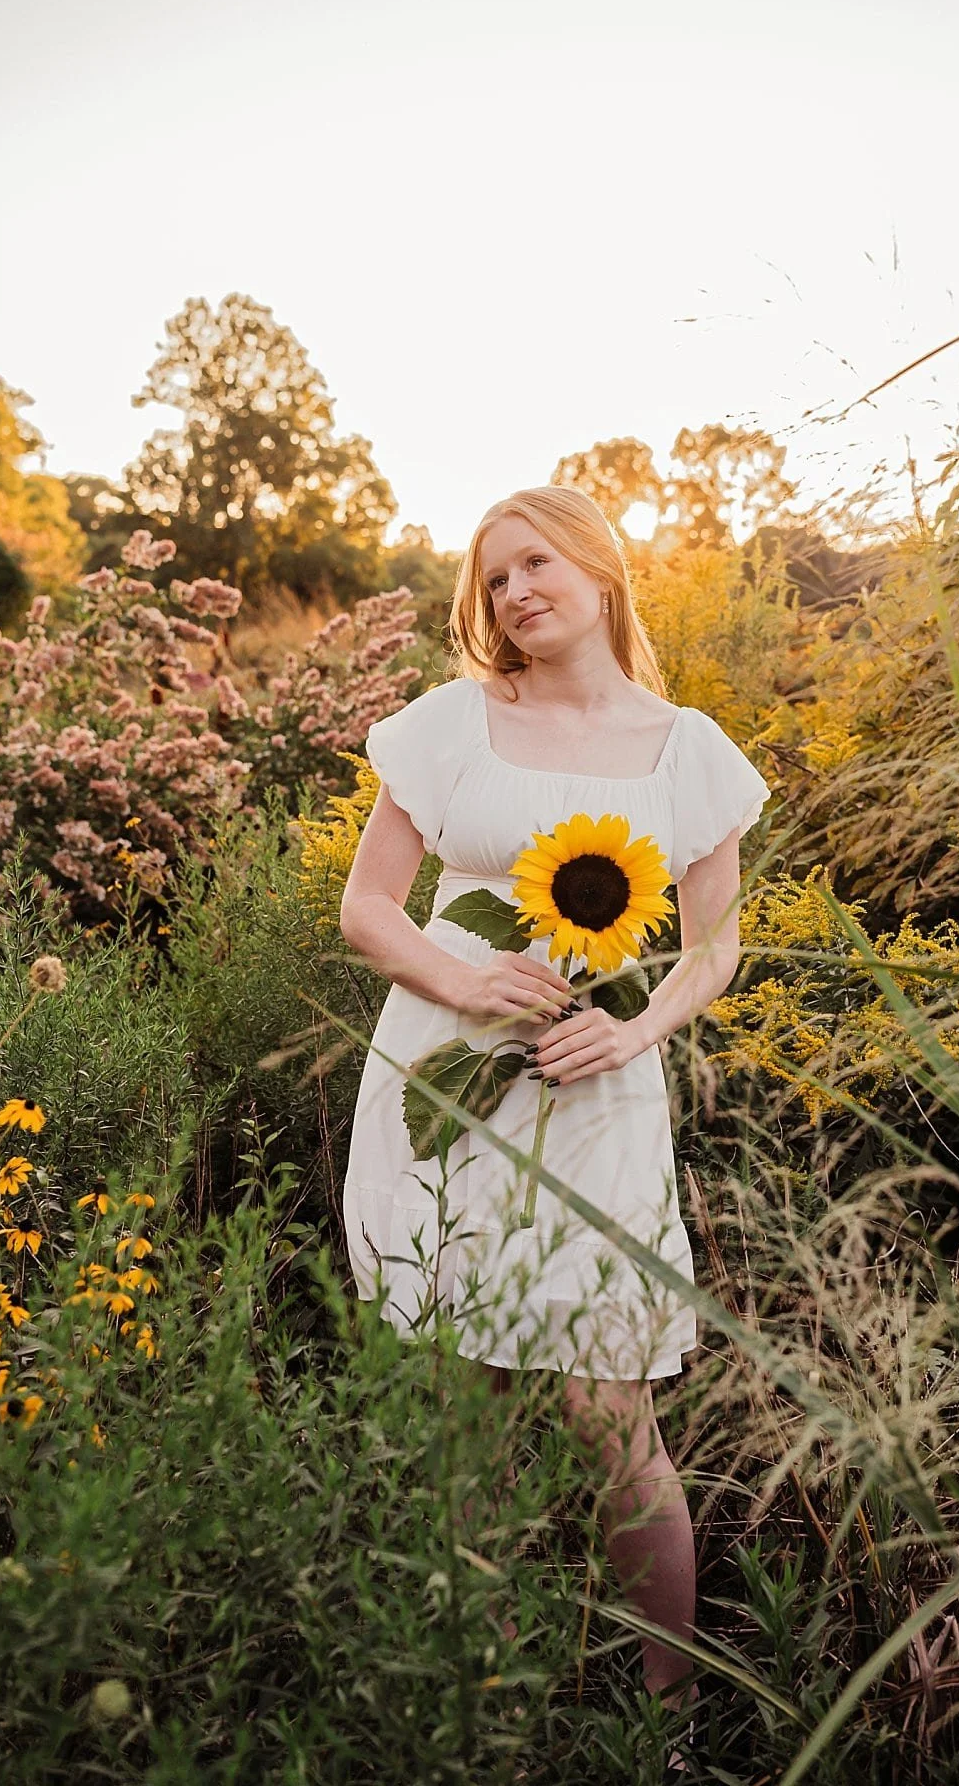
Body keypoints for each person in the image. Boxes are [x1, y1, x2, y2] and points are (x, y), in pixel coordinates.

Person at [338, 484, 769, 1743]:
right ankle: (479, 1702)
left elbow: (714, 945)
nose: (515, 592)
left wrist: (635, 1029)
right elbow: (368, 907)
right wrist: (464, 979)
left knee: (605, 1406)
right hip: (443, 1079)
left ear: (599, 567)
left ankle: (667, 1714)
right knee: (464, 1398)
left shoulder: (688, 748)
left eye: (534, 564)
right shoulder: (452, 723)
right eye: (494, 579)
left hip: (599, 1087)